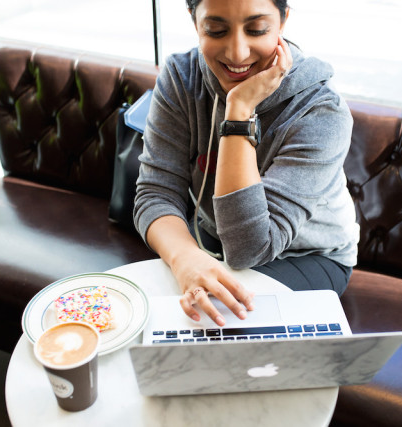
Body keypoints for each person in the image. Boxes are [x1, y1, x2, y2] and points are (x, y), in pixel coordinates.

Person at [134, 0, 359, 326]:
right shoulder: (181, 77)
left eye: (256, 30)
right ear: (194, 22)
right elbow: (155, 194)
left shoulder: (320, 110)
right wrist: (185, 258)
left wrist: (238, 111)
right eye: (216, 30)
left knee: (221, 327)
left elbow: (250, 248)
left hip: (306, 256)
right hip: (212, 239)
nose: (238, 53)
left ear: (282, 21)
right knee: (168, 319)